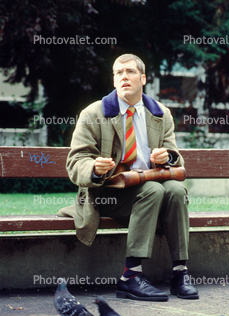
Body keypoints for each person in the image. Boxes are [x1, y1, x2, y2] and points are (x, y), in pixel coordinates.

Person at [59, 53, 199, 302]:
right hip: (108, 195)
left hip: (147, 187)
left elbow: (175, 157)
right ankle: (130, 276)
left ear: (143, 78)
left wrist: (166, 157)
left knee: (177, 191)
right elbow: (75, 162)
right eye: (118, 73)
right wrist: (94, 168)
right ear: (114, 81)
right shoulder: (94, 113)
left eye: (130, 72)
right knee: (153, 190)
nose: (124, 77)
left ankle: (180, 273)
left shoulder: (160, 113)